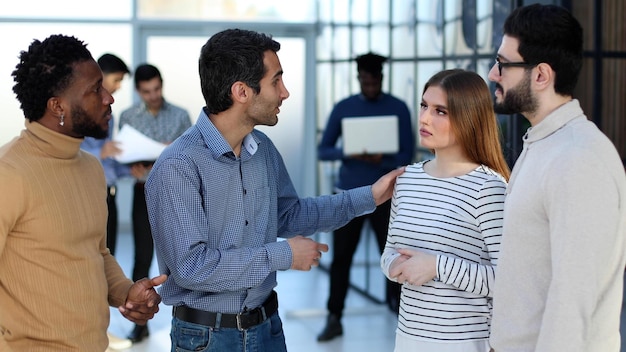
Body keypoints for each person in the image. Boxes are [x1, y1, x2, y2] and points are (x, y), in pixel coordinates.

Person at [144, 28, 404, 352]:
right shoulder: (177, 166)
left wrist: (370, 196)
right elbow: (192, 267)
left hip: (268, 329)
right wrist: (283, 255)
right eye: (276, 81)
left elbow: (291, 214)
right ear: (242, 91)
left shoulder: (262, 149)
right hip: (208, 339)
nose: (285, 93)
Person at [0, 34, 166, 352]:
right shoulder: (9, 174)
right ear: (57, 106)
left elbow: (97, 253)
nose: (109, 98)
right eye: (95, 90)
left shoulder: (91, 169)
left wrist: (125, 292)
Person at [487, 4, 626, 352]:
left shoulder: (579, 158)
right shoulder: (545, 143)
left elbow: (573, 297)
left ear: (541, 75)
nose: (493, 73)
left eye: (503, 63)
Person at [380, 69, 510, 352]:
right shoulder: (406, 179)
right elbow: (389, 252)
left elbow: (509, 279)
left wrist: (436, 266)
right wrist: (394, 266)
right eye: (424, 105)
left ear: (469, 117)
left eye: (441, 111)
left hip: (464, 342)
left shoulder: (488, 188)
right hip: (407, 338)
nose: (425, 118)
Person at [316, 52, 414, 342]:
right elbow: (324, 150)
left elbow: (406, 155)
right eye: (365, 80)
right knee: (341, 260)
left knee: (394, 255)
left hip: (387, 199)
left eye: (375, 80)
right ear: (359, 78)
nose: (370, 85)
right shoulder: (344, 108)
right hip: (350, 197)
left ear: (381, 78)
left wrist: (381, 158)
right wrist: (351, 151)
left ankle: (399, 313)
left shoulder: (398, 108)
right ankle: (334, 318)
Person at [118, 63, 191, 342]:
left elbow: (190, 153)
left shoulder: (181, 115)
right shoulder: (127, 116)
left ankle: (185, 313)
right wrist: (132, 168)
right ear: (138, 91)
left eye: (157, 89)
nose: (153, 95)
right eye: (147, 91)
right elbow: (124, 156)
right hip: (142, 191)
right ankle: (140, 322)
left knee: (181, 254)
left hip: (174, 194)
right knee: (142, 255)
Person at [81, 53, 131, 257]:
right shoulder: (80, 110)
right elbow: (71, 152)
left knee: (109, 256)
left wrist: (129, 169)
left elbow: (109, 163)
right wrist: (101, 151)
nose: (118, 87)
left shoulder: (110, 115)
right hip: (87, 194)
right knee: (91, 257)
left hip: (109, 194)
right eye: (116, 80)